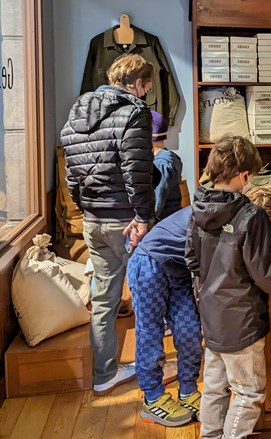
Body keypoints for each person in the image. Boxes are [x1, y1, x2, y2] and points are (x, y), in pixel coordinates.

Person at [185, 136, 271, 439]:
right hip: (243, 321)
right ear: (245, 176)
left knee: (213, 387)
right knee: (248, 393)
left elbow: (192, 260)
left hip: (211, 316)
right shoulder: (251, 216)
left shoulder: (197, 208)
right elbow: (268, 276)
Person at [60, 53, 155, 396]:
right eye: (147, 88)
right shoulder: (135, 111)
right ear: (139, 83)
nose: (146, 94)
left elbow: (72, 172)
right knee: (148, 294)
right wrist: (143, 216)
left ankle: (103, 374)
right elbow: (137, 171)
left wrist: (85, 208)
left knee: (103, 299)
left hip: (93, 219)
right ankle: (150, 372)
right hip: (126, 221)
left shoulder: (77, 111)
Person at [126, 206, 203, 427]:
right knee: (150, 334)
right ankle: (152, 397)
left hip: (178, 270)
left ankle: (188, 391)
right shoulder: (219, 210)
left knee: (190, 331)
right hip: (148, 264)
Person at [151, 110, 183, 221]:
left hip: (162, 224)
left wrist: (146, 221)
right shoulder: (167, 158)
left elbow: (157, 200)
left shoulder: (162, 163)